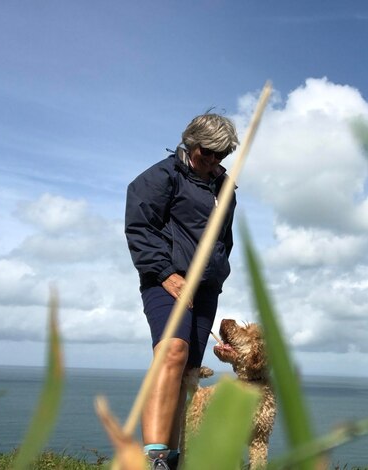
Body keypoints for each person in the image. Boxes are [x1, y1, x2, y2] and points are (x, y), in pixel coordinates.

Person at [125, 113, 239, 469]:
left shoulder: (224, 187)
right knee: (171, 352)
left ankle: (170, 460)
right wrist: (164, 273)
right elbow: (140, 226)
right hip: (166, 280)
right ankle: (154, 460)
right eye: (207, 152)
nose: (213, 161)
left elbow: (223, 239)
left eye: (221, 155)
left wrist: (217, 274)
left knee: (187, 371)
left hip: (205, 287)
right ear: (192, 142)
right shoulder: (162, 176)